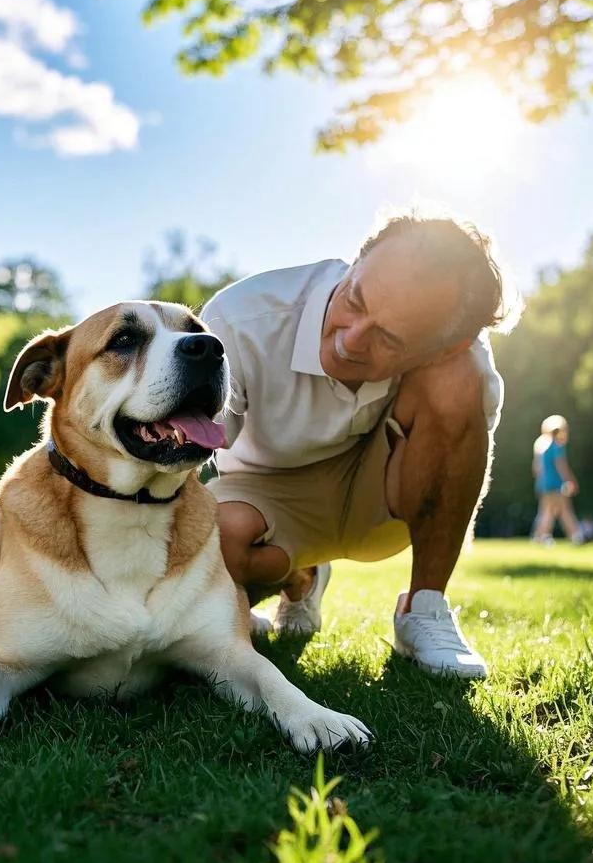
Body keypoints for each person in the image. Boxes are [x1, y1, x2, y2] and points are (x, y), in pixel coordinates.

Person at [201, 211, 517, 679]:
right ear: (357, 260)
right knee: (213, 543)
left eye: (388, 337)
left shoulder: (457, 357)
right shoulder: (241, 318)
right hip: (266, 489)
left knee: (455, 384)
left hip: (382, 489)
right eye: (355, 299)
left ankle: (424, 610)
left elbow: (455, 462)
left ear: (442, 346)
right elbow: (189, 450)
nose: (351, 340)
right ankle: (299, 576)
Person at [530, 415, 584, 546]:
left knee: (547, 511)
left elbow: (536, 470)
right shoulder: (556, 446)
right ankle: (576, 535)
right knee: (565, 509)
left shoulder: (542, 447)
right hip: (555, 483)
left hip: (544, 484)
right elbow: (561, 466)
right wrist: (571, 480)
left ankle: (540, 536)